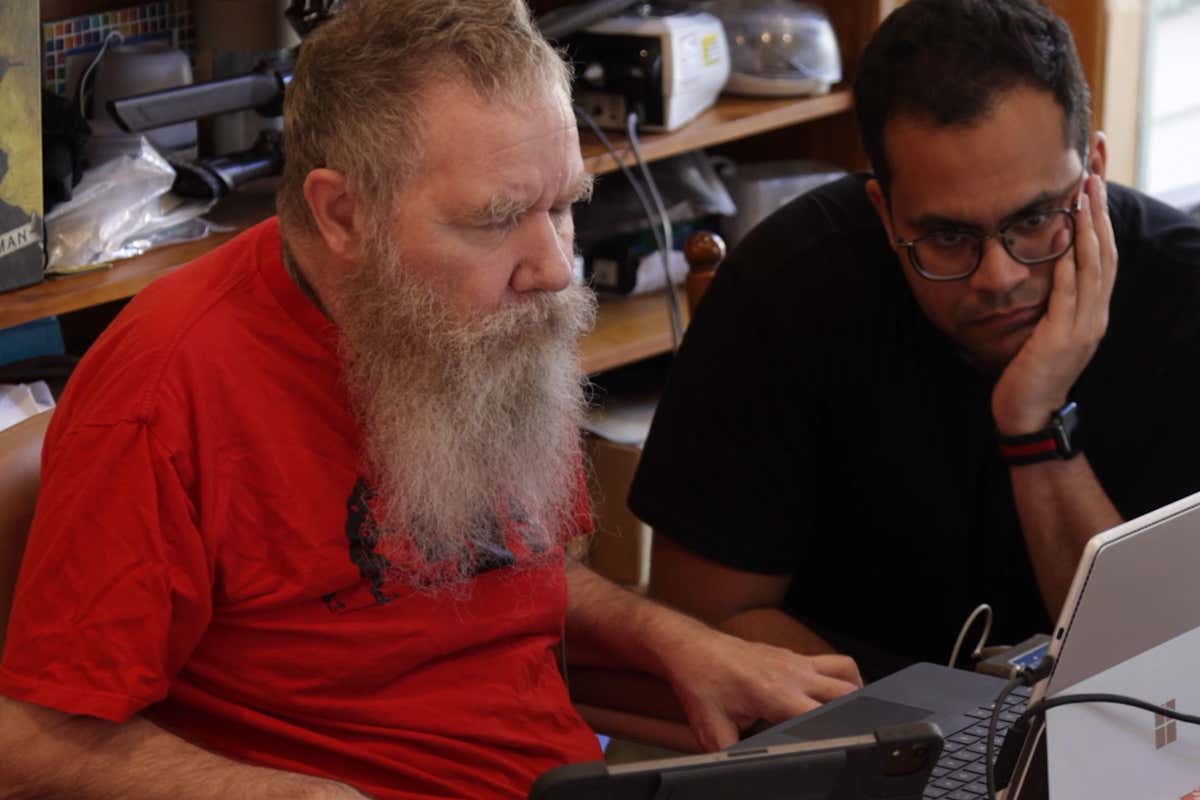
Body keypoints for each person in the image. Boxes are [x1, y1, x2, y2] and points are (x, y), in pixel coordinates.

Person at [0, 1, 863, 798]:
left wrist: (678, 642)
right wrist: (283, 794)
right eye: (494, 219)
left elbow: (515, 573)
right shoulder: (167, 392)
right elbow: (30, 739)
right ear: (342, 214)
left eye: (564, 206)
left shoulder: (474, 329)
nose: (556, 268)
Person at [629, 0, 1200, 680]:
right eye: (948, 236)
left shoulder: (1182, 297)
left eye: (1037, 217)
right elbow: (706, 623)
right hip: (855, 738)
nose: (1000, 275)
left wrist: (1035, 423)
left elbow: (1157, 677)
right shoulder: (787, 285)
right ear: (884, 210)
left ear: (1095, 170)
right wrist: (929, 741)